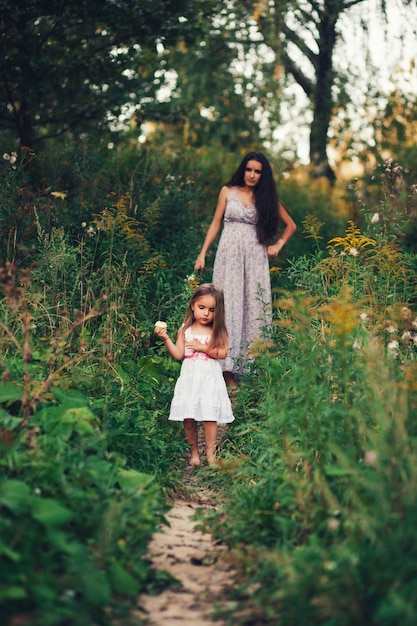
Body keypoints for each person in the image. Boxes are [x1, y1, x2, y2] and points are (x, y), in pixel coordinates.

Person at [194, 151, 297, 388]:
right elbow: (216, 223)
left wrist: (278, 244)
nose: (252, 175)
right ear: (243, 169)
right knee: (227, 306)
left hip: (254, 258)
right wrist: (202, 253)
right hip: (228, 257)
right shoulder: (227, 192)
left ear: (263, 175)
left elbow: (290, 225)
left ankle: (252, 369)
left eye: (257, 171)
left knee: (253, 307)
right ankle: (226, 371)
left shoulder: (267, 199)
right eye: (249, 169)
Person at [154, 283, 234, 467]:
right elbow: (177, 354)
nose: (206, 313)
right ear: (192, 306)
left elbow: (222, 353)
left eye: (211, 310)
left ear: (218, 311)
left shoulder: (217, 330)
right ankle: (194, 453)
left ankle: (211, 455)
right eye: (202, 308)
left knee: (209, 417)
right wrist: (166, 338)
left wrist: (203, 347)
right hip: (190, 378)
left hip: (209, 379)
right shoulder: (185, 330)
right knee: (189, 418)